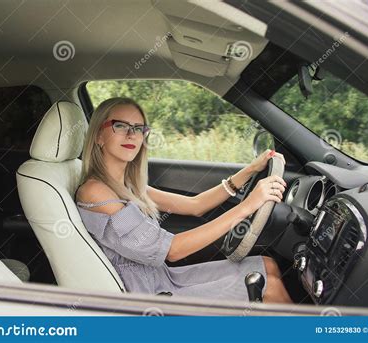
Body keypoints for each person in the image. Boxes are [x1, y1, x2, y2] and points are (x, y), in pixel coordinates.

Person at [75, 97, 293, 303]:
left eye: (139, 128)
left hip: (164, 279)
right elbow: (173, 250)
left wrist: (251, 170)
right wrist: (248, 205)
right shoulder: (96, 191)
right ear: (98, 136)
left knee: (267, 265)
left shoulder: (129, 187)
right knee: (269, 287)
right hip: (148, 298)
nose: (132, 134)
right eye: (120, 126)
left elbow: (195, 206)